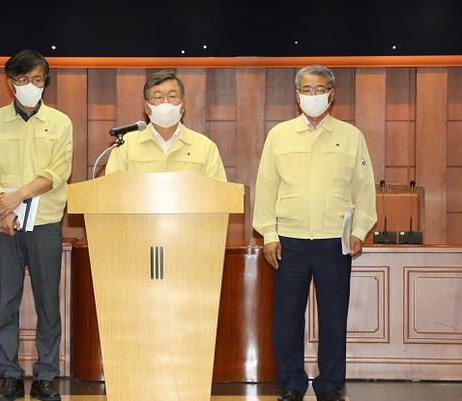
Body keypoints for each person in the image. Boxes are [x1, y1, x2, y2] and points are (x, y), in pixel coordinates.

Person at [252, 65, 376, 401]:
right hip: (288, 241)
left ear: (331, 94)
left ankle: (329, 384)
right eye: (306, 90)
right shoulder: (279, 135)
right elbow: (266, 187)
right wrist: (269, 234)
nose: (313, 95)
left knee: (334, 317)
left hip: (334, 241)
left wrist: (359, 230)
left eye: (320, 89)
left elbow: (364, 188)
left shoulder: (351, 137)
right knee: (287, 317)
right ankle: (292, 382)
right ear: (297, 95)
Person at [0, 49, 73, 401]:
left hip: (45, 223)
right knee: (6, 301)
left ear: (45, 82)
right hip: (3, 225)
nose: (30, 85)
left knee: (48, 301)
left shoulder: (60, 122)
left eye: (36, 79)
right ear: (10, 83)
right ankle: (10, 376)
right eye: (22, 79)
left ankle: (45, 376)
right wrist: (3, 210)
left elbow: (57, 172)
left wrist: (16, 197)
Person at [105, 70, 227, 181]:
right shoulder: (125, 146)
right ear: (146, 106)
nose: (166, 103)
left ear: (183, 104)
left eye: (172, 96)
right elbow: (111, 190)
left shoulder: (205, 147)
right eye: (158, 97)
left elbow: (219, 193)